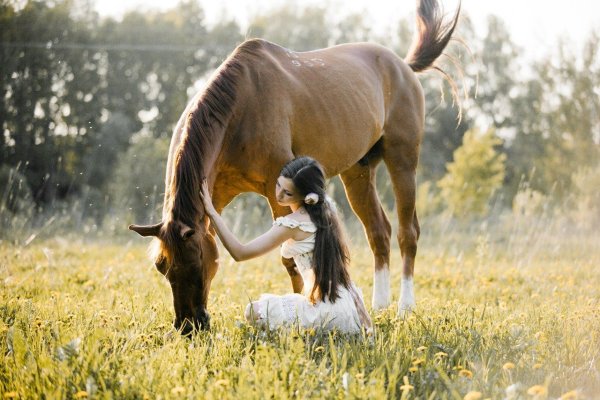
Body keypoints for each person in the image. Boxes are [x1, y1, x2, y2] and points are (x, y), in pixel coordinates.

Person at [200, 156, 372, 334]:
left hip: (324, 313)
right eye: (278, 185)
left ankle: (292, 337)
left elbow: (240, 253)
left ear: (306, 197)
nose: (279, 194)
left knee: (254, 311)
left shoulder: (293, 224)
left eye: (288, 193)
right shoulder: (327, 210)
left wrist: (212, 212)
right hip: (347, 306)